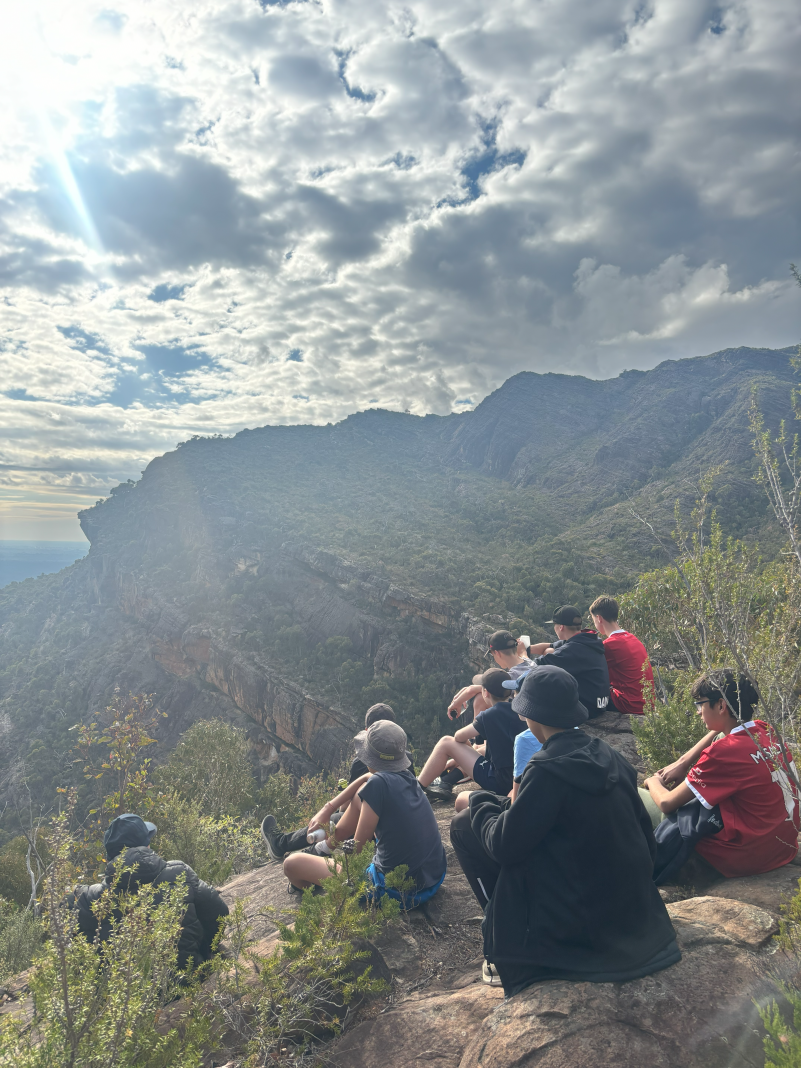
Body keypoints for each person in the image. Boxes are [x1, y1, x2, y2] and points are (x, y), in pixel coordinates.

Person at [450, 665, 680, 992]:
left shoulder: (546, 770)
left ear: (532, 716)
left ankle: (502, 936)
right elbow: (646, 839)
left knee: (462, 826)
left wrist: (480, 803)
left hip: (583, 924)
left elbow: (503, 844)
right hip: (635, 915)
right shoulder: (610, 757)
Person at [643, 671, 800, 880]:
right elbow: (721, 732)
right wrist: (684, 762)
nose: (698, 712)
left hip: (744, 857)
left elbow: (667, 803)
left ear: (721, 706)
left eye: (700, 704)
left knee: (637, 796)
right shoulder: (765, 730)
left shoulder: (723, 753)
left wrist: (651, 781)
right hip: (781, 848)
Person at [278, 720, 447, 909]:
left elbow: (355, 861)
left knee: (291, 864)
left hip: (397, 891)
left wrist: (337, 869)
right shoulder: (406, 776)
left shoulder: (377, 786)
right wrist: (328, 807)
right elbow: (368, 779)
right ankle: (328, 845)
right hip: (433, 876)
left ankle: (309, 883)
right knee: (361, 795)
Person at [73, 813, 229, 972]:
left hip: (125, 994)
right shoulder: (180, 872)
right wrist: (203, 949)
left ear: (110, 856)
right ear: (146, 845)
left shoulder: (89, 898)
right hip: (187, 980)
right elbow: (220, 913)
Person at [261, 702, 414, 862]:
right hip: (399, 825)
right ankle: (307, 849)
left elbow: (347, 808)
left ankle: (281, 843)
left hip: (371, 830)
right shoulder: (406, 758)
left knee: (336, 818)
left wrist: (332, 807)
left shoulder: (363, 763)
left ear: (367, 732)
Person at [418, 669, 526, 803]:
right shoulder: (520, 710)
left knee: (446, 742)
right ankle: (445, 782)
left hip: (500, 782)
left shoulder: (489, 715)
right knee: (480, 749)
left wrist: (464, 750)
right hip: (520, 780)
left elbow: (458, 737)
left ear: (485, 692)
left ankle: (416, 789)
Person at [531, 606, 610, 718]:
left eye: (555, 625)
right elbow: (551, 646)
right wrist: (527, 649)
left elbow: (533, 667)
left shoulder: (572, 650)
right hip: (599, 704)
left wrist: (522, 655)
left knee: (541, 682)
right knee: (550, 650)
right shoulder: (586, 640)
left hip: (587, 710)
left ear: (561, 627)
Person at [589, 595, 654, 716]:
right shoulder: (633, 638)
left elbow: (591, 670)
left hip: (629, 705)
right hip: (647, 704)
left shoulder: (611, 645)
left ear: (599, 618)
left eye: (594, 621)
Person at [446, 631, 533, 721]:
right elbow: (478, 685)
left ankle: (477, 732)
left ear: (497, 653)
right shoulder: (529, 662)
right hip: (535, 711)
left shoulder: (511, 678)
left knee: (481, 697)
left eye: (492, 654)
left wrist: (457, 702)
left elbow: (474, 689)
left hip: (525, 719)